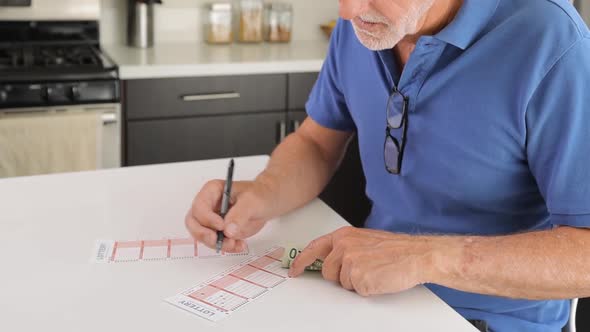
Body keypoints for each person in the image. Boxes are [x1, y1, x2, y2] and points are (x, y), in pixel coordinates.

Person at [185, 0, 590, 331]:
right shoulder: (365, 22)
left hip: (487, 321)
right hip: (363, 296)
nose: (346, 11)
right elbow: (316, 142)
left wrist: (427, 258)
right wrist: (262, 193)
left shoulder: (554, 42)